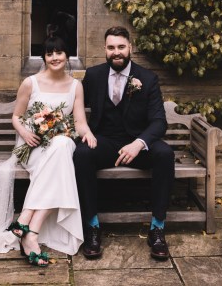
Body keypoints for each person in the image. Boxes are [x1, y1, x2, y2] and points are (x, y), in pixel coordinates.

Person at [0, 34, 96, 265]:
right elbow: (16, 116)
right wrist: (25, 133)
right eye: (49, 53)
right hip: (32, 144)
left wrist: (87, 133)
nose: (54, 57)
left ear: (66, 56)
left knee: (62, 146)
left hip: (60, 141)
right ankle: (31, 232)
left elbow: (79, 122)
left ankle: (28, 225)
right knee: (59, 164)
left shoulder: (76, 86)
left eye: (58, 52)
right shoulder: (31, 82)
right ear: (44, 57)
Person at [73, 26, 175, 261]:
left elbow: (159, 122)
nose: (116, 52)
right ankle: (92, 227)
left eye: (121, 47)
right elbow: (74, 103)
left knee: (165, 154)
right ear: (105, 49)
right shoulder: (94, 75)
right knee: (81, 155)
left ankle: (157, 228)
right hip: (104, 141)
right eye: (111, 48)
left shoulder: (147, 79)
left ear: (130, 47)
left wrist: (139, 143)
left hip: (135, 144)